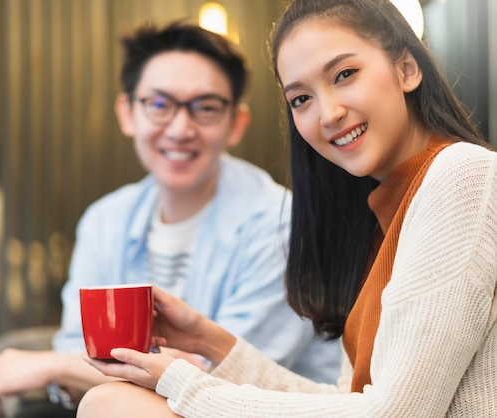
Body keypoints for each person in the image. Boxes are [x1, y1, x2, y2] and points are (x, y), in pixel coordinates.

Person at [75, 0, 497, 416]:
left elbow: (396, 413)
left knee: (113, 404)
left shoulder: (461, 175)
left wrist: (182, 384)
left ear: (407, 69)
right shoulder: (381, 219)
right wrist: (210, 342)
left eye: (345, 74)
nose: (328, 113)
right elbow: (349, 403)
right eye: (301, 99)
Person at [0, 21, 343, 417]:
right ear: (127, 113)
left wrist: (52, 365)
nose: (181, 129)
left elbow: (219, 379)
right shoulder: (106, 221)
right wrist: (68, 364)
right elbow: (77, 345)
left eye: (205, 108)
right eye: (159, 105)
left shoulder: (279, 224)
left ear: (235, 123)